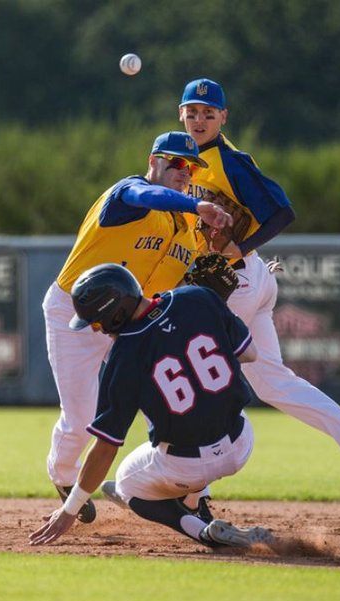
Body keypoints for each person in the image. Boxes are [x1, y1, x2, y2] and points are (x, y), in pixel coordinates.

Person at [176, 78, 340, 510]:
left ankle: (189, 493)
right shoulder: (187, 160)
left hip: (234, 283)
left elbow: (282, 211)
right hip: (249, 280)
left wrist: (240, 248)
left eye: (208, 113)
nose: (199, 119)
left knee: (188, 367)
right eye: (192, 112)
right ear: (180, 114)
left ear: (223, 117)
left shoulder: (228, 160)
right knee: (274, 382)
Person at [42, 131, 233, 523]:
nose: (185, 172)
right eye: (176, 163)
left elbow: (187, 283)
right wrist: (198, 204)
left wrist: (218, 256)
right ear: (154, 160)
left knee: (171, 407)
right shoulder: (127, 194)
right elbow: (146, 197)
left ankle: (195, 498)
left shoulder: (186, 227)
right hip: (75, 314)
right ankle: (63, 477)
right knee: (80, 420)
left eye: (192, 167)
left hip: (131, 321)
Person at [30, 263, 274, 548]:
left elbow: (106, 447)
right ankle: (192, 498)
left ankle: (203, 531)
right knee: (209, 408)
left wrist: (70, 510)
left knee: (126, 484)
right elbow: (249, 354)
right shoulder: (198, 297)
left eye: (97, 321)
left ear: (115, 312)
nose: (97, 329)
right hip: (240, 442)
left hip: (186, 465)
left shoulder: (124, 355)